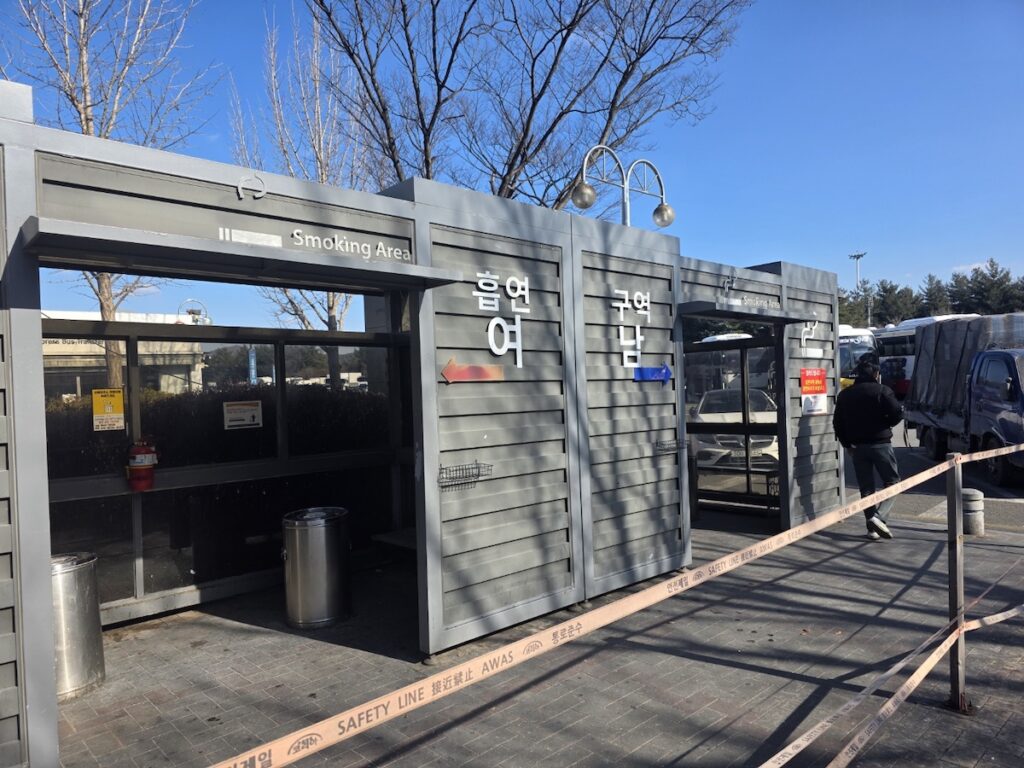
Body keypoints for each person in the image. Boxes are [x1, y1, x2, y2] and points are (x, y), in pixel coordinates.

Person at [833, 359, 903, 540]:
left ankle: (871, 529)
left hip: (857, 447)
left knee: (866, 487)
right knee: (893, 482)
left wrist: (847, 444)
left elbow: (837, 423)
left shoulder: (845, 395)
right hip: (881, 444)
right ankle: (879, 517)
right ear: (875, 375)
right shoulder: (882, 391)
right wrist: (886, 424)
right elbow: (897, 413)